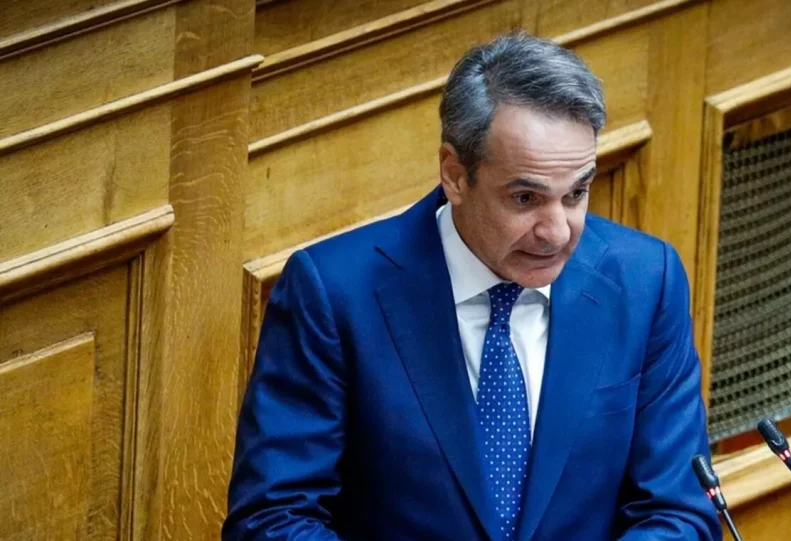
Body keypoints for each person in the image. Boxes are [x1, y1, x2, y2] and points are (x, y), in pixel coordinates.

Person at [223, 32, 721, 541]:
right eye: (525, 198)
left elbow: (678, 512)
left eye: (576, 194)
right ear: (455, 175)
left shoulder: (645, 281)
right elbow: (272, 519)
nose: (557, 232)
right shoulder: (334, 294)